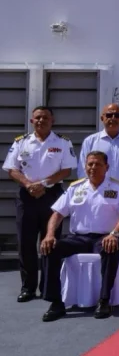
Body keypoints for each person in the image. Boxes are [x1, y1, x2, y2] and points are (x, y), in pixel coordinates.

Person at [39, 151, 119, 321]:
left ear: (107, 167)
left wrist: (114, 234)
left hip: (106, 236)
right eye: (90, 164)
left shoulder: (117, 187)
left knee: (111, 248)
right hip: (78, 238)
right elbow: (57, 213)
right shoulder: (75, 188)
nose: (93, 168)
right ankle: (55, 302)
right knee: (50, 248)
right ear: (85, 166)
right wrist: (50, 234)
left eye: (98, 164)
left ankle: (104, 300)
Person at [2, 106, 77, 302]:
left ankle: (48, 286)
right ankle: (28, 287)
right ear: (31, 121)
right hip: (27, 195)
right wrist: (29, 184)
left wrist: (43, 184)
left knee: (50, 241)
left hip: (51, 195)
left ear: (52, 120)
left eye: (45, 118)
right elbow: (11, 168)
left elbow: (67, 170)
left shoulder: (62, 142)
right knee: (25, 243)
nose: (41, 121)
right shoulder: (21, 142)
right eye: (37, 118)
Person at [79, 103, 119, 280]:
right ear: (102, 118)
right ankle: (96, 278)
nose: (112, 118)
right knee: (97, 234)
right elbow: (82, 171)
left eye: (116, 115)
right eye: (109, 115)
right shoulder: (91, 142)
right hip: (95, 195)